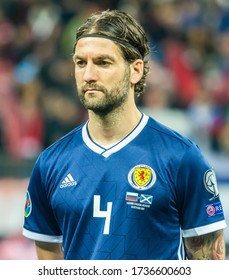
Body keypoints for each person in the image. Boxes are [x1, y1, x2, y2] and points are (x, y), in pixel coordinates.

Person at [22, 9, 227, 260]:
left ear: (136, 70)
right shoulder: (50, 163)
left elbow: (208, 263)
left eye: (103, 62)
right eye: (80, 62)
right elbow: (48, 264)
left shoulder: (181, 157)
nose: (88, 75)